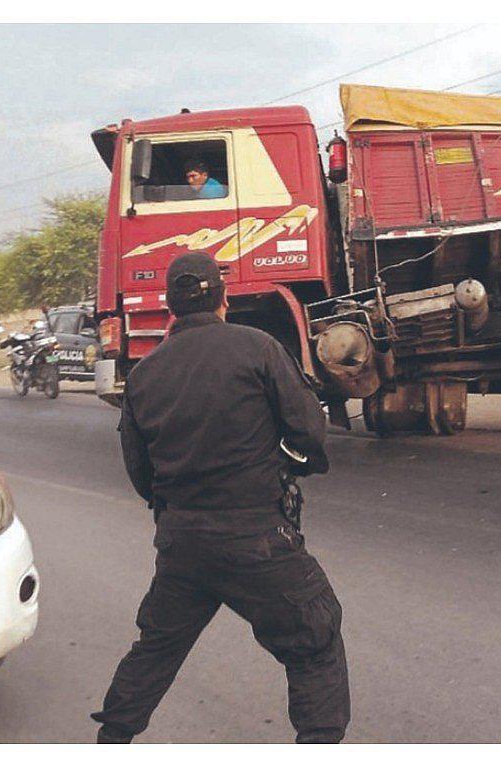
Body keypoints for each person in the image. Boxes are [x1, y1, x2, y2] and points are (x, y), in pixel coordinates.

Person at [91, 252, 349, 744]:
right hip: (257, 539)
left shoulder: (144, 375)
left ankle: (112, 740)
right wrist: (296, 464)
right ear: (224, 298)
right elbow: (310, 432)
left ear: (171, 307)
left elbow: (140, 472)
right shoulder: (259, 348)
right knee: (315, 641)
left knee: (156, 649)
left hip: (183, 544)